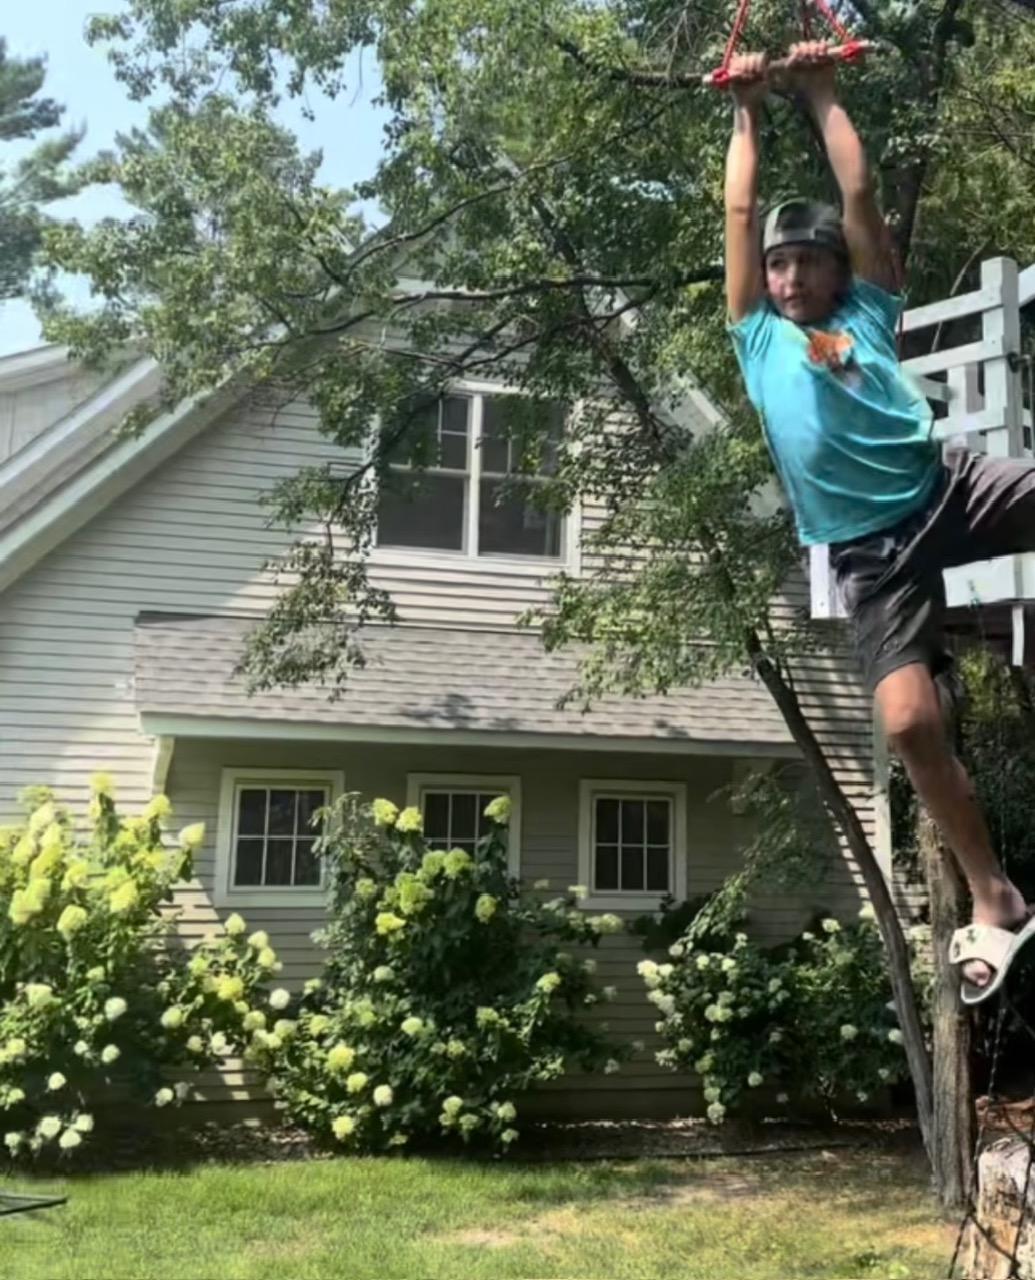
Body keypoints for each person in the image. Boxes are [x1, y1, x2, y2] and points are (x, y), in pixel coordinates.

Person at [724, 40, 1035, 1004]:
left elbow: (858, 199)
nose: (788, 277)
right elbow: (736, 210)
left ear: (836, 270)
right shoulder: (755, 337)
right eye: (777, 265)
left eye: (806, 262)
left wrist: (820, 94)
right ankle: (999, 899)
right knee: (904, 723)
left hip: (944, 491)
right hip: (868, 556)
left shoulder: (865, 315)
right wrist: (744, 112)